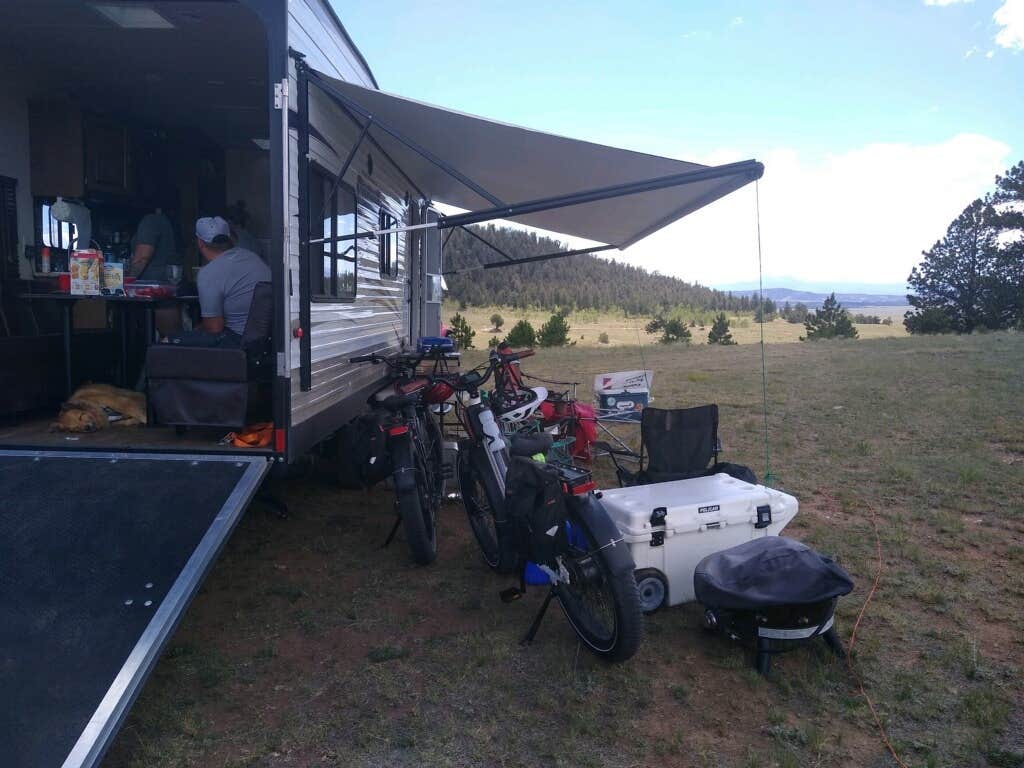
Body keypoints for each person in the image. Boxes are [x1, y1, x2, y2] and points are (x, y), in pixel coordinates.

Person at [165, 216, 270, 348]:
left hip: (237, 341)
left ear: (200, 242)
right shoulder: (253, 258)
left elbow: (214, 328)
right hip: (264, 341)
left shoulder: (208, 273)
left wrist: (193, 331)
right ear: (229, 239)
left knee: (168, 342)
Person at [129, 209, 179, 280]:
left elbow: (142, 258)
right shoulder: (166, 221)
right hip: (167, 281)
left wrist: (127, 281)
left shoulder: (151, 220)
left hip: (153, 284)